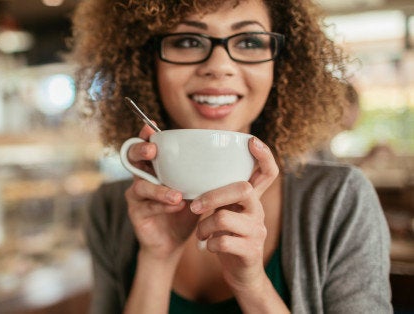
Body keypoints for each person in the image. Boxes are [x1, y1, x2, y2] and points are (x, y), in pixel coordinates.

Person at [69, 0, 392, 313]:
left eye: (250, 42)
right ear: (145, 62)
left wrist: (251, 284)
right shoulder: (111, 209)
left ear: (281, 64)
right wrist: (157, 259)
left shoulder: (340, 200)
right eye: (188, 40)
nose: (218, 67)